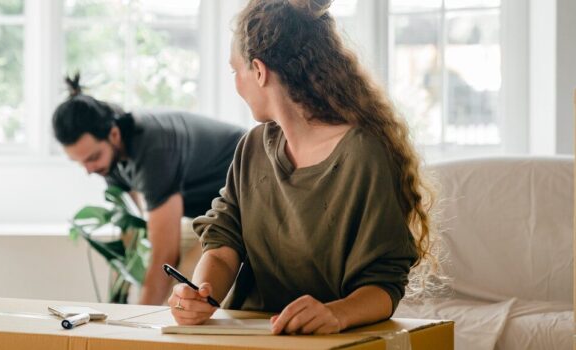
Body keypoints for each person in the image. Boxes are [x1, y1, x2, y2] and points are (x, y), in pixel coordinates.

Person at [168, 0, 436, 335]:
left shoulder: (363, 154)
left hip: (326, 341)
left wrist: (335, 314)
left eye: (235, 71)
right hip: (249, 339)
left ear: (259, 70)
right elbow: (223, 246)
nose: (236, 84)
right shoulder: (252, 147)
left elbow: (384, 285)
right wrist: (201, 293)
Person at [52, 75, 247, 305]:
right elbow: (135, 224)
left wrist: (135, 323)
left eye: (93, 158)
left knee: (188, 293)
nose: (89, 170)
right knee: (170, 290)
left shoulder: (154, 150)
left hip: (246, 200)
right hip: (207, 211)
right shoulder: (110, 157)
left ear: (113, 135)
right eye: (81, 162)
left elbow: (165, 255)